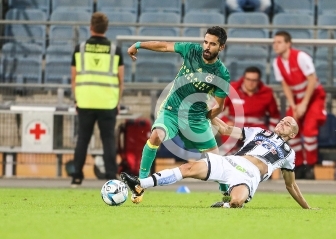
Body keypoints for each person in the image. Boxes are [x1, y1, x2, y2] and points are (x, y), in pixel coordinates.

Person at [126, 26, 230, 203]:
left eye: (212, 44)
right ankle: (140, 184)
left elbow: (219, 107)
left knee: (216, 159)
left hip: (196, 117)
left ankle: (226, 193)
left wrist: (207, 116)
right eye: (205, 42)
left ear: (221, 47)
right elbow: (164, 46)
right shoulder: (191, 50)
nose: (206, 46)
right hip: (172, 110)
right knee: (156, 135)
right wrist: (138, 44)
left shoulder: (222, 74)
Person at [121, 116, 314, 209]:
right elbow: (225, 129)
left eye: (288, 123)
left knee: (237, 202)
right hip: (230, 162)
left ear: (293, 134)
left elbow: (291, 185)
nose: (282, 122)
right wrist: (209, 113)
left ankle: (226, 205)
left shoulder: (289, 153)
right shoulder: (258, 132)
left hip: (249, 175)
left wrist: (307, 207)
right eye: (282, 120)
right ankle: (140, 184)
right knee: (188, 167)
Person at [70, 12, 124, 187]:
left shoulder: (80, 48)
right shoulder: (115, 50)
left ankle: (76, 177)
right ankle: (111, 176)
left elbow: (74, 78)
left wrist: (77, 100)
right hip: (108, 102)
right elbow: (120, 80)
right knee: (108, 139)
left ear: (90, 27)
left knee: (82, 139)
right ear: (106, 28)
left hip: (85, 101)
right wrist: (117, 102)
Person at [272, 31, 327, 179]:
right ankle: (299, 164)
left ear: (288, 43)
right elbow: (285, 86)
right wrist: (293, 105)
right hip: (297, 100)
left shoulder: (301, 57)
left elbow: (312, 80)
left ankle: (311, 165)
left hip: (313, 97)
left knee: (309, 130)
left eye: (279, 42)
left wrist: (304, 104)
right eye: (274, 42)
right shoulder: (277, 62)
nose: (275, 45)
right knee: (290, 130)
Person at [220, 66, 280, 154]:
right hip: (235, 125)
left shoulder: (267, 93)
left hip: (257, 127)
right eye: (248, 79)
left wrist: (272, 134)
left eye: (254, 80)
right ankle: (231, 160)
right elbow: (216, 110)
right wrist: (226, 122)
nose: (250, 83)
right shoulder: (232, 89)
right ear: (243, 78)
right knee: (229, 136)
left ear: (259, 81)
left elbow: (274, 115)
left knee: (262, 149)